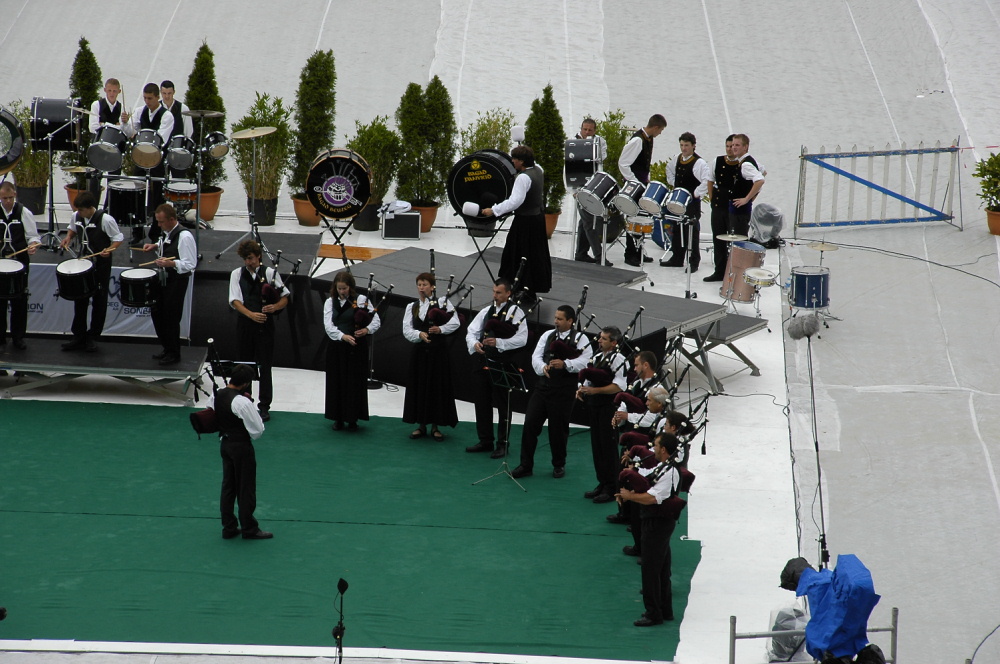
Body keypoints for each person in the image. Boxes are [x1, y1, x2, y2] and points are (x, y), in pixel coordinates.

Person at [512, 305, 592, 479]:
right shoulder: (547, 335)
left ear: (570, 321)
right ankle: (525, 465)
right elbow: (536, 356)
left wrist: (566, 364)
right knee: (530, 424)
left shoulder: (581, 339)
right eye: (555, 318)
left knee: (558, 430)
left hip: (564, 391)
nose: (556, 321)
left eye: (560, 319)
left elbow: (586, 361)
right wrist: (542, 368)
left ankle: (558, 464)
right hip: (543, 388)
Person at [617, 431, 684, 626]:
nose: (652, 448)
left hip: (657, 523)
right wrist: (633, 469)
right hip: (658, 522)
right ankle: (665, 609)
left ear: (663, 449)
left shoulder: (670, 472)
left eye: (655, 445)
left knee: (651, 569)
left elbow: (653, 498)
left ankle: (653, 613)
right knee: (661, 569)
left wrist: (629, 496)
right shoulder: (664, 467)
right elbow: (647, 476)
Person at [465, 278, 529, 458]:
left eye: (499, 292)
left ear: (508, 293)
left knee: (503, 405)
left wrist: (499, 342)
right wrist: (475, 344)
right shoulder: (486, 311)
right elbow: (471, 331)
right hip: (483, 362)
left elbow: (522, 339)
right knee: (481, 402)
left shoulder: (516, 313)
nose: (495, 295)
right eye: (493, 292)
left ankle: (503, 444)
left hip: (503, 363)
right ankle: (485, 440)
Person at [228, 240, 289, 423]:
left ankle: (264, 406)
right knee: (244, 365)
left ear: (259, 256)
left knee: (265, 366)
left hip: (265, 328)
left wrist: (274, 307)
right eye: (246, 259)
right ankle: (245, 402)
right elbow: (235, 301)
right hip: (245, 326)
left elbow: (285, 296)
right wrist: (251, 315)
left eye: (251, 258)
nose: (249, 262)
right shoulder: (236, 274)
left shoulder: (269, 273)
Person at [482, 144, 551, 304]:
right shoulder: (538, 170)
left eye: (515, 159)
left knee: (518, 254)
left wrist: (494, 210)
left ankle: (521, 288)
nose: (512, 161)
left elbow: (515, 201)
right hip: (537, 219)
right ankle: (528, 289)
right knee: (534, 254)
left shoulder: (523, 178)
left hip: (525, 222)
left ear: (522, 161)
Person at [58, 191, 124, 352]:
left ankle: (93, 336)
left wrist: (109, 250)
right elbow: (73, 229)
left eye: (81, 210)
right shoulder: (76, 216)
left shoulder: (106, 220)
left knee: (99, 300)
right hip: (83, 262)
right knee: (80, 299)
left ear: (90, 208)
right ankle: (78, 335)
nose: (79, 212)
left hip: (101, 264)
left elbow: (118, 238)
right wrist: (69, 237)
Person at [214, 363, 272, 540]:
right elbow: (257, 431)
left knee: (228, 486)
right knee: (245, 488)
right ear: (246, 383)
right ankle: (249, 528)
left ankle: (229, 527)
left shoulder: (218, 394)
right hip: (241, 447)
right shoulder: (242, 402)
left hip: (225, 444)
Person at [402, 272, 459, 441]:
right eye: (419, 285)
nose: (421, 288)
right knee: (420, 387)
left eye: (425, 284)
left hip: (438, 354)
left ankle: (435, 426)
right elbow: (406, 329)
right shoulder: (412, 306)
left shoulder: (442, 303)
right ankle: (421, 425)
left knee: (436, 388)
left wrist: (441, 329)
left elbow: (455, 322)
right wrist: (419, 334)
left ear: (432, 287)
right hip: (420, 354)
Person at [323, 270, 379, 431]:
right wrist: (343, 336)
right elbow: (328, 325)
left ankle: (353, 418)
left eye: (345, 288)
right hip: (337, 347)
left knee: (354, 382)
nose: (342, 291)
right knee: (337, 381)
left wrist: (366, 330)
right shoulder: (330, 302)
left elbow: (375, 320)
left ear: (350, 287)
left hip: (356, 348)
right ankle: (338, 418)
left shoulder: (361, 300)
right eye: (339, 288)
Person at [704, 134, 765, 282]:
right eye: (731, 145)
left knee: (738, 242)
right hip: (725, 207)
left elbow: (760, 178)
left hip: (738, 211)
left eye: (737, 145)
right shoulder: (735, 162)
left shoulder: (745, 164)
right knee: (723, 239)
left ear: (745, 147)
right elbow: (710, 180)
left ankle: (738, 278)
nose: (733, 148)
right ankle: (724, 273)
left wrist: (747, 199)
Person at [577, 326, 627, 503]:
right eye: (600, 337)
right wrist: (582, 388)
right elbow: (588, 379)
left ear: (614, 343)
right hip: (595, 406)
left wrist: (595, 391)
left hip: (608, 407)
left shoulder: (619, 359)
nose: (599, 340)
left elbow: (619, 386)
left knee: (608, 447)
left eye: (604, 339)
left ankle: (612, 487)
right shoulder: (597, 357)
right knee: (597, 445)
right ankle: (602, 482)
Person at [142, 203, 195, 365]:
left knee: (171, 317)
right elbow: (168, 244)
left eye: (161, 222)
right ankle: (166, 347)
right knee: (157, 313)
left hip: (177, 281)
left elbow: (190, 264)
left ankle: (174, 352)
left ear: (172, 219)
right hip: (164, 279)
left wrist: (171, 263)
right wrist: (156, 246)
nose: (159, 225)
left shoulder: (184, 237)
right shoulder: (168, 233)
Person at [618, 114, 667, 266]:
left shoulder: (648, 139)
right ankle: (630, 254)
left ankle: (638, 251)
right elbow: (623, 163)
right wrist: (635, 182)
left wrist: (647, 180)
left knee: (641, 218)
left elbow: (644, 164)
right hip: (635, 186)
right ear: (655, 127)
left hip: (642, 184)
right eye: (661, 130)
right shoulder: (638, 140)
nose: (660, 133)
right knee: (633, 218)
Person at [124, 82, 174, 222]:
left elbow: (161, 138)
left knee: (158, 193)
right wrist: (125, 123)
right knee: (138, 191)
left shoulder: (167, 115)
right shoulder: (140, 111)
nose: (147, 101)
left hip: (158, 159)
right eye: (145, 98)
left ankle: (157, 227)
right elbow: (131, 131)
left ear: (158, 97)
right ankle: (138, 225)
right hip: (140, 158)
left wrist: (142, 138)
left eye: (150, 98)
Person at [662, 132, 711, 270]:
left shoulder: (699, 163)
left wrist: (695, 193)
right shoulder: (677, 159)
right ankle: (677, 258)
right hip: (678, 201)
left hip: (691, 204)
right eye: (682, 145)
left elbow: (706, 180)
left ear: (693, 146)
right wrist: (674, 184)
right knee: (677, 229)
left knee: (691, 232)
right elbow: (669, 170)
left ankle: (694, 261)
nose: (683, 148)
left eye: (686, 145)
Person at [0, 182, 39, 350]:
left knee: (19, 300)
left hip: (19, 263)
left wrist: (33, 245)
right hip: (1, 263)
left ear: (15, 195)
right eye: (4, 198)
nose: (8, 201)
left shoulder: (24, 212)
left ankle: (18, 337)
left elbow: (33, 236)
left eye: (10, 197)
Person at [574, 118, 612, 266]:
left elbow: (602, 159)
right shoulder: (573, 142)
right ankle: (599, 256)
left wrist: (591, 145)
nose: (587, 132)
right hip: (580, 186)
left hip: (595, 185)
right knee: (588, 221)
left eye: (590, 130)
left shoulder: (600, 141)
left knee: (584, 221)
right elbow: (569, 167)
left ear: (595, 130)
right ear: (581, 129)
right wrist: (573, 190)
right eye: (585, 129)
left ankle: (581, 253)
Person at [87, 78, 128, 202]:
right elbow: (93, 127)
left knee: (114, 179)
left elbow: (123, 129)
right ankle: (92, 205)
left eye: (114, 91)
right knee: (95, 179)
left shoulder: (121, 107)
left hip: (114, 149)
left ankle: (109, 206)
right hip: (98, 147)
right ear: (105, 90)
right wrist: (113, 125)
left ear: (119, 91)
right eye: (109, 90)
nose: (111, 93)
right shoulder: (96, 104)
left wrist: (104, 124)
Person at [160, 80, 195, 179]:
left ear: (174, 92)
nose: (167, 96)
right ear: (160, 93)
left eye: (169, 93)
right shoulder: (157, 108)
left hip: (178, 150)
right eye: (164, 93)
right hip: (161, 150)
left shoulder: (183, 108)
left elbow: (188, 131)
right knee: (159, 179)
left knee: (179, 179)